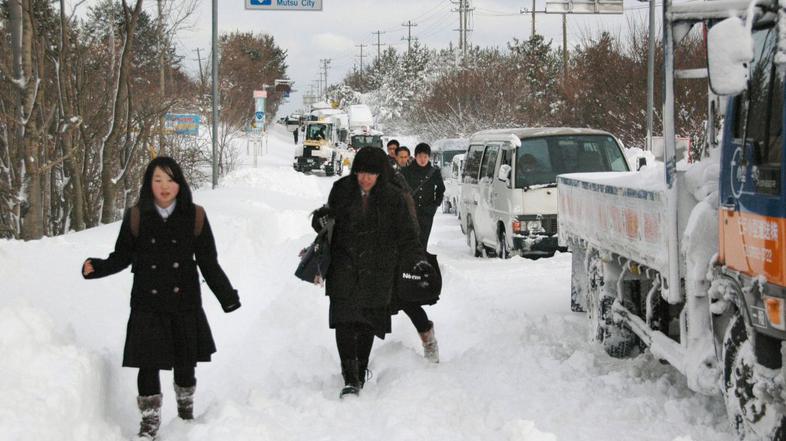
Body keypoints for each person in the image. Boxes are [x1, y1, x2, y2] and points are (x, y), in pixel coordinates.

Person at [82, 157, 241, 439]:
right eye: (157, 180)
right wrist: (98, 267)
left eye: (170, 179)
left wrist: (227, 296)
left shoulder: (195, 216)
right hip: (148, 301)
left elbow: (208, 262)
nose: (164, 186)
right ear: (149, 184)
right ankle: (149, 422)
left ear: (180, 183)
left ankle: (185, 411)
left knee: (185, 362)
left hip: (184, 301)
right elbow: (122, 256)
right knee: (148, 364)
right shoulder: (136, 216)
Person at [313, 147, 426, 398]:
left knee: (366, 323)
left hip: (378, 270)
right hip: (344, 266)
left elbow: (407, 235)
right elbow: (327, 219)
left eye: (371, 174)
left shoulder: (393, 198)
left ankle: (361, 369)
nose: (365, 178)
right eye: (361, 173)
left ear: (380, 174)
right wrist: (319, 219)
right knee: (344, 321)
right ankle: (350, 378)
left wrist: (417, 260)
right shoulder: (342, 189)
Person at [401, 142, 446, 248]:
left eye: (425, 156)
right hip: (410, 213)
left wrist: (434, 205)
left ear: (429, 157)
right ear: (415, 156)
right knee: (411, 241)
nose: (423, 159)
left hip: (427, 213)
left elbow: (441, 189)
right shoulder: (406, 171)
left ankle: (422, 257)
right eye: (420, 156)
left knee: (423, 241)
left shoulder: (434, 172)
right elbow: (400, 190)